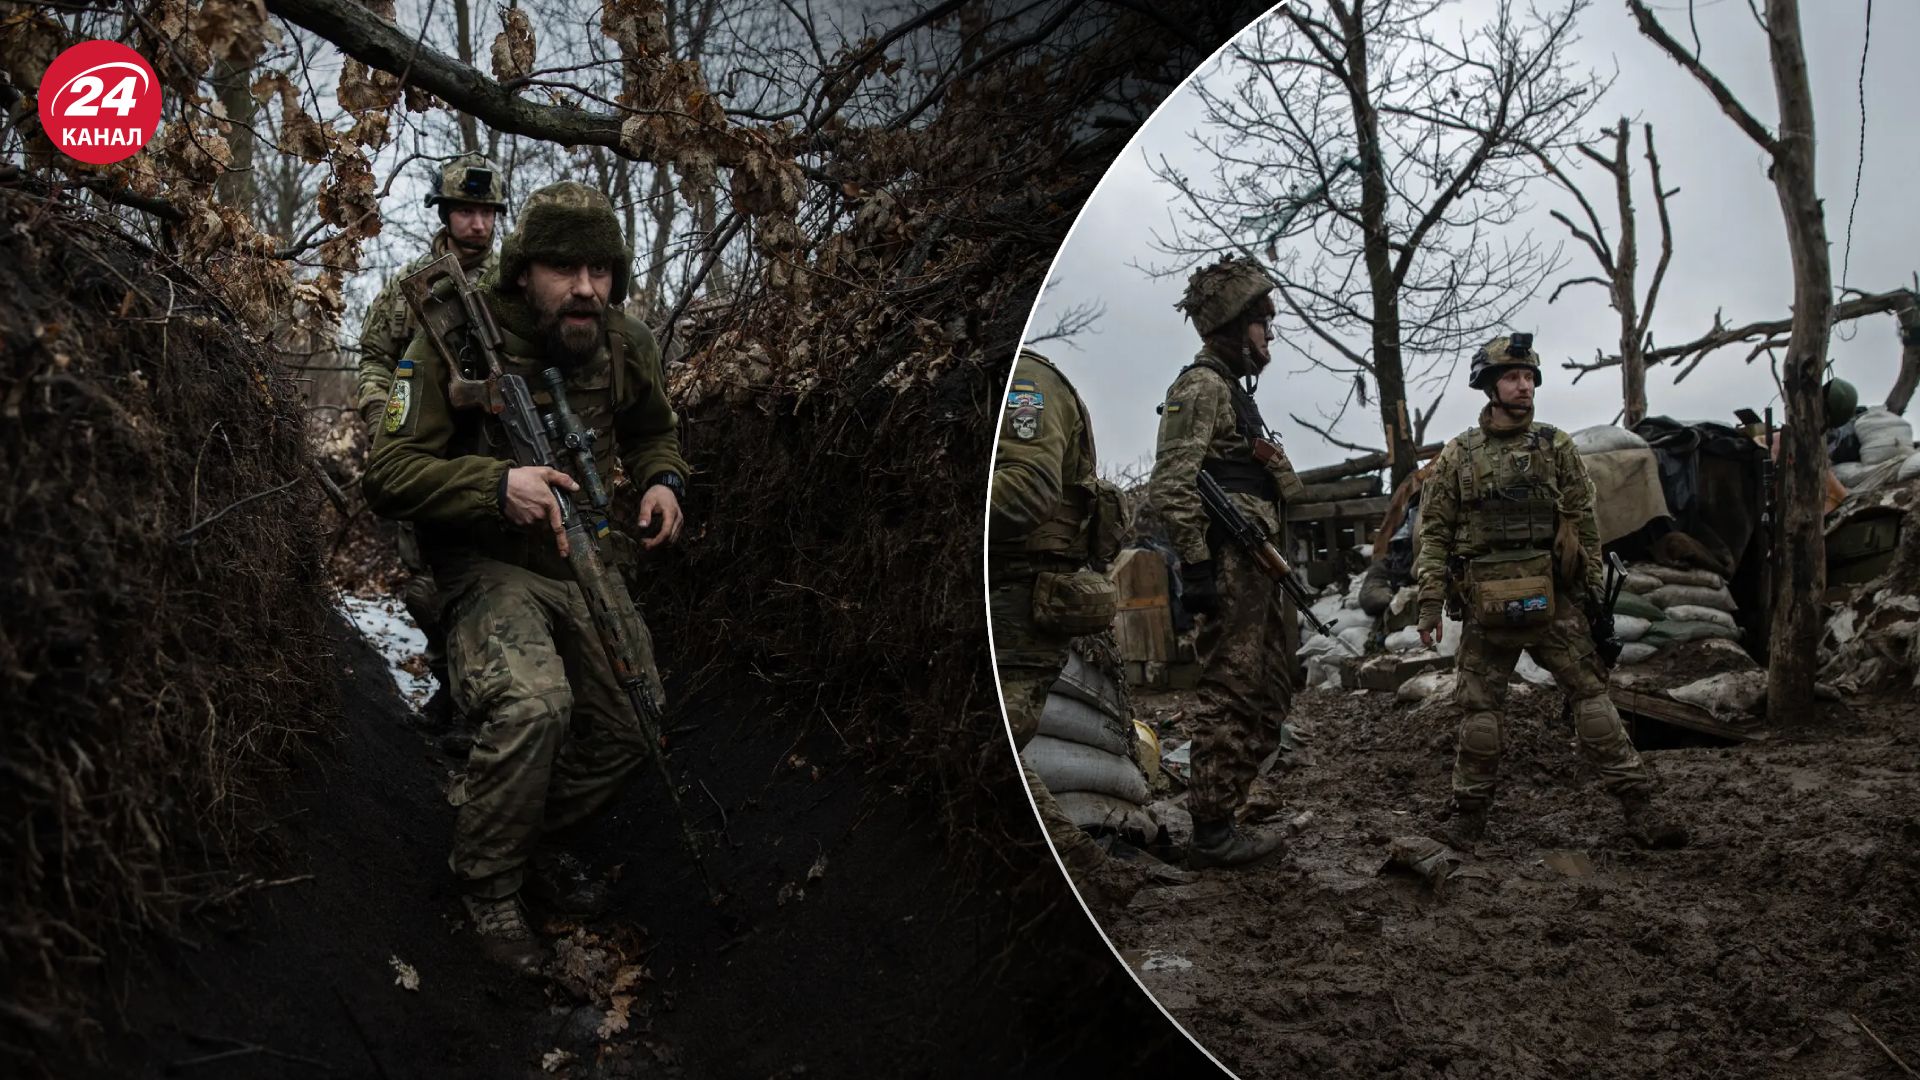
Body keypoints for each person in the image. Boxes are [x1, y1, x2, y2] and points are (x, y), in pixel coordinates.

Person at [363, 182, 689, 974]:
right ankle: (489, 883)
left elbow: (654, 430)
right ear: (521, 271)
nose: (585, 288)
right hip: (486, 564)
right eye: (563, 268)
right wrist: (494, 485)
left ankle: (520, 832)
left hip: (583, 558)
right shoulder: (454, 338)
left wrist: (663, 481)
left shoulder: (624, 343)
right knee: (535, 707)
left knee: (634, 725)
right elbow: (388, 472)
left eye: (600, 271)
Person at [1413, 333, 1686, 850]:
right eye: (1513, 377)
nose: (1524, 386)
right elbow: (1436, 535)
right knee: (1482, 713)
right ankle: (1468, 819)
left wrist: (1591, 593)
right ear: (1490, 386)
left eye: (1529, 377)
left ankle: (1640, 808)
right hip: (1489, 604)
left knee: (1591, 700)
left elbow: (1584, 524)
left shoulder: (1556, 445)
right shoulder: (1457, 455)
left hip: (1554, 601)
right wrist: (1429, 605)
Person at [1145, 255, 1307, 869]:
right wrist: (1196, 568)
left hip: (1255, 567)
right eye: (1264, 323)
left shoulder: (1233, 393)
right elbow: (1171, 484)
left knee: (1269, 690)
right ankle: (1212, 830)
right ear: (1236, 325)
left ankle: (1226, 807)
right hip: (1229, 566)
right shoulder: (1201, 387)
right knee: (1231, 690)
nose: (1270, 336)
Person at [357, 154, 509, 728]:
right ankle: (450, 685)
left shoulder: (512, 283)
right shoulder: (410, 287)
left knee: (492, 579)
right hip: (426, 459)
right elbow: (375, 358)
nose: (478, 223)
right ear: (445, 214)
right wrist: (385, 418)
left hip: (496, 458)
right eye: (466, 211)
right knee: (429, 585)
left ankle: (490, 701)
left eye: (487, 212)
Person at [987, 348, 1131, 901]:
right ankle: (1085, 876)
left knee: (992, 755)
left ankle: (1084, 882)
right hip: (1010, 599)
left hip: (1019, 605)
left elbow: (1027, 488)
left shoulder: (1027, 379)